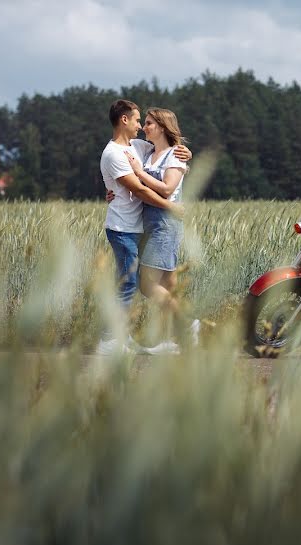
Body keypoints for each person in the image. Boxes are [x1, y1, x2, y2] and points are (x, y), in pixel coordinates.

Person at [96, 99, 188, 355]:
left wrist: (185, 153)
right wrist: (171, 207)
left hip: (139, 228)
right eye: (138, 120)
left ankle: (176, 336)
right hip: (122, 227)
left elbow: (169, 150)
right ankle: (111, 341)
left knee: (161, 285)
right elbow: (138, 189)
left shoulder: (137, 146)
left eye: (145, 122)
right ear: (124, 120)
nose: (140, 126)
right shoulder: (113, 153)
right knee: (129, 283)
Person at [124, 107, 200, 354]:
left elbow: (167, 189)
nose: (144, 127)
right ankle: (177, 340)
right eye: (144, 123)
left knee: (146, 285)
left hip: (165, 224)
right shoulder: (149, 153)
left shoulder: (174, 156)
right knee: (168, 287)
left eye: (149, 124)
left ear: (163, 127)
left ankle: (188, 326)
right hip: (152, 222)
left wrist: (138, 173)